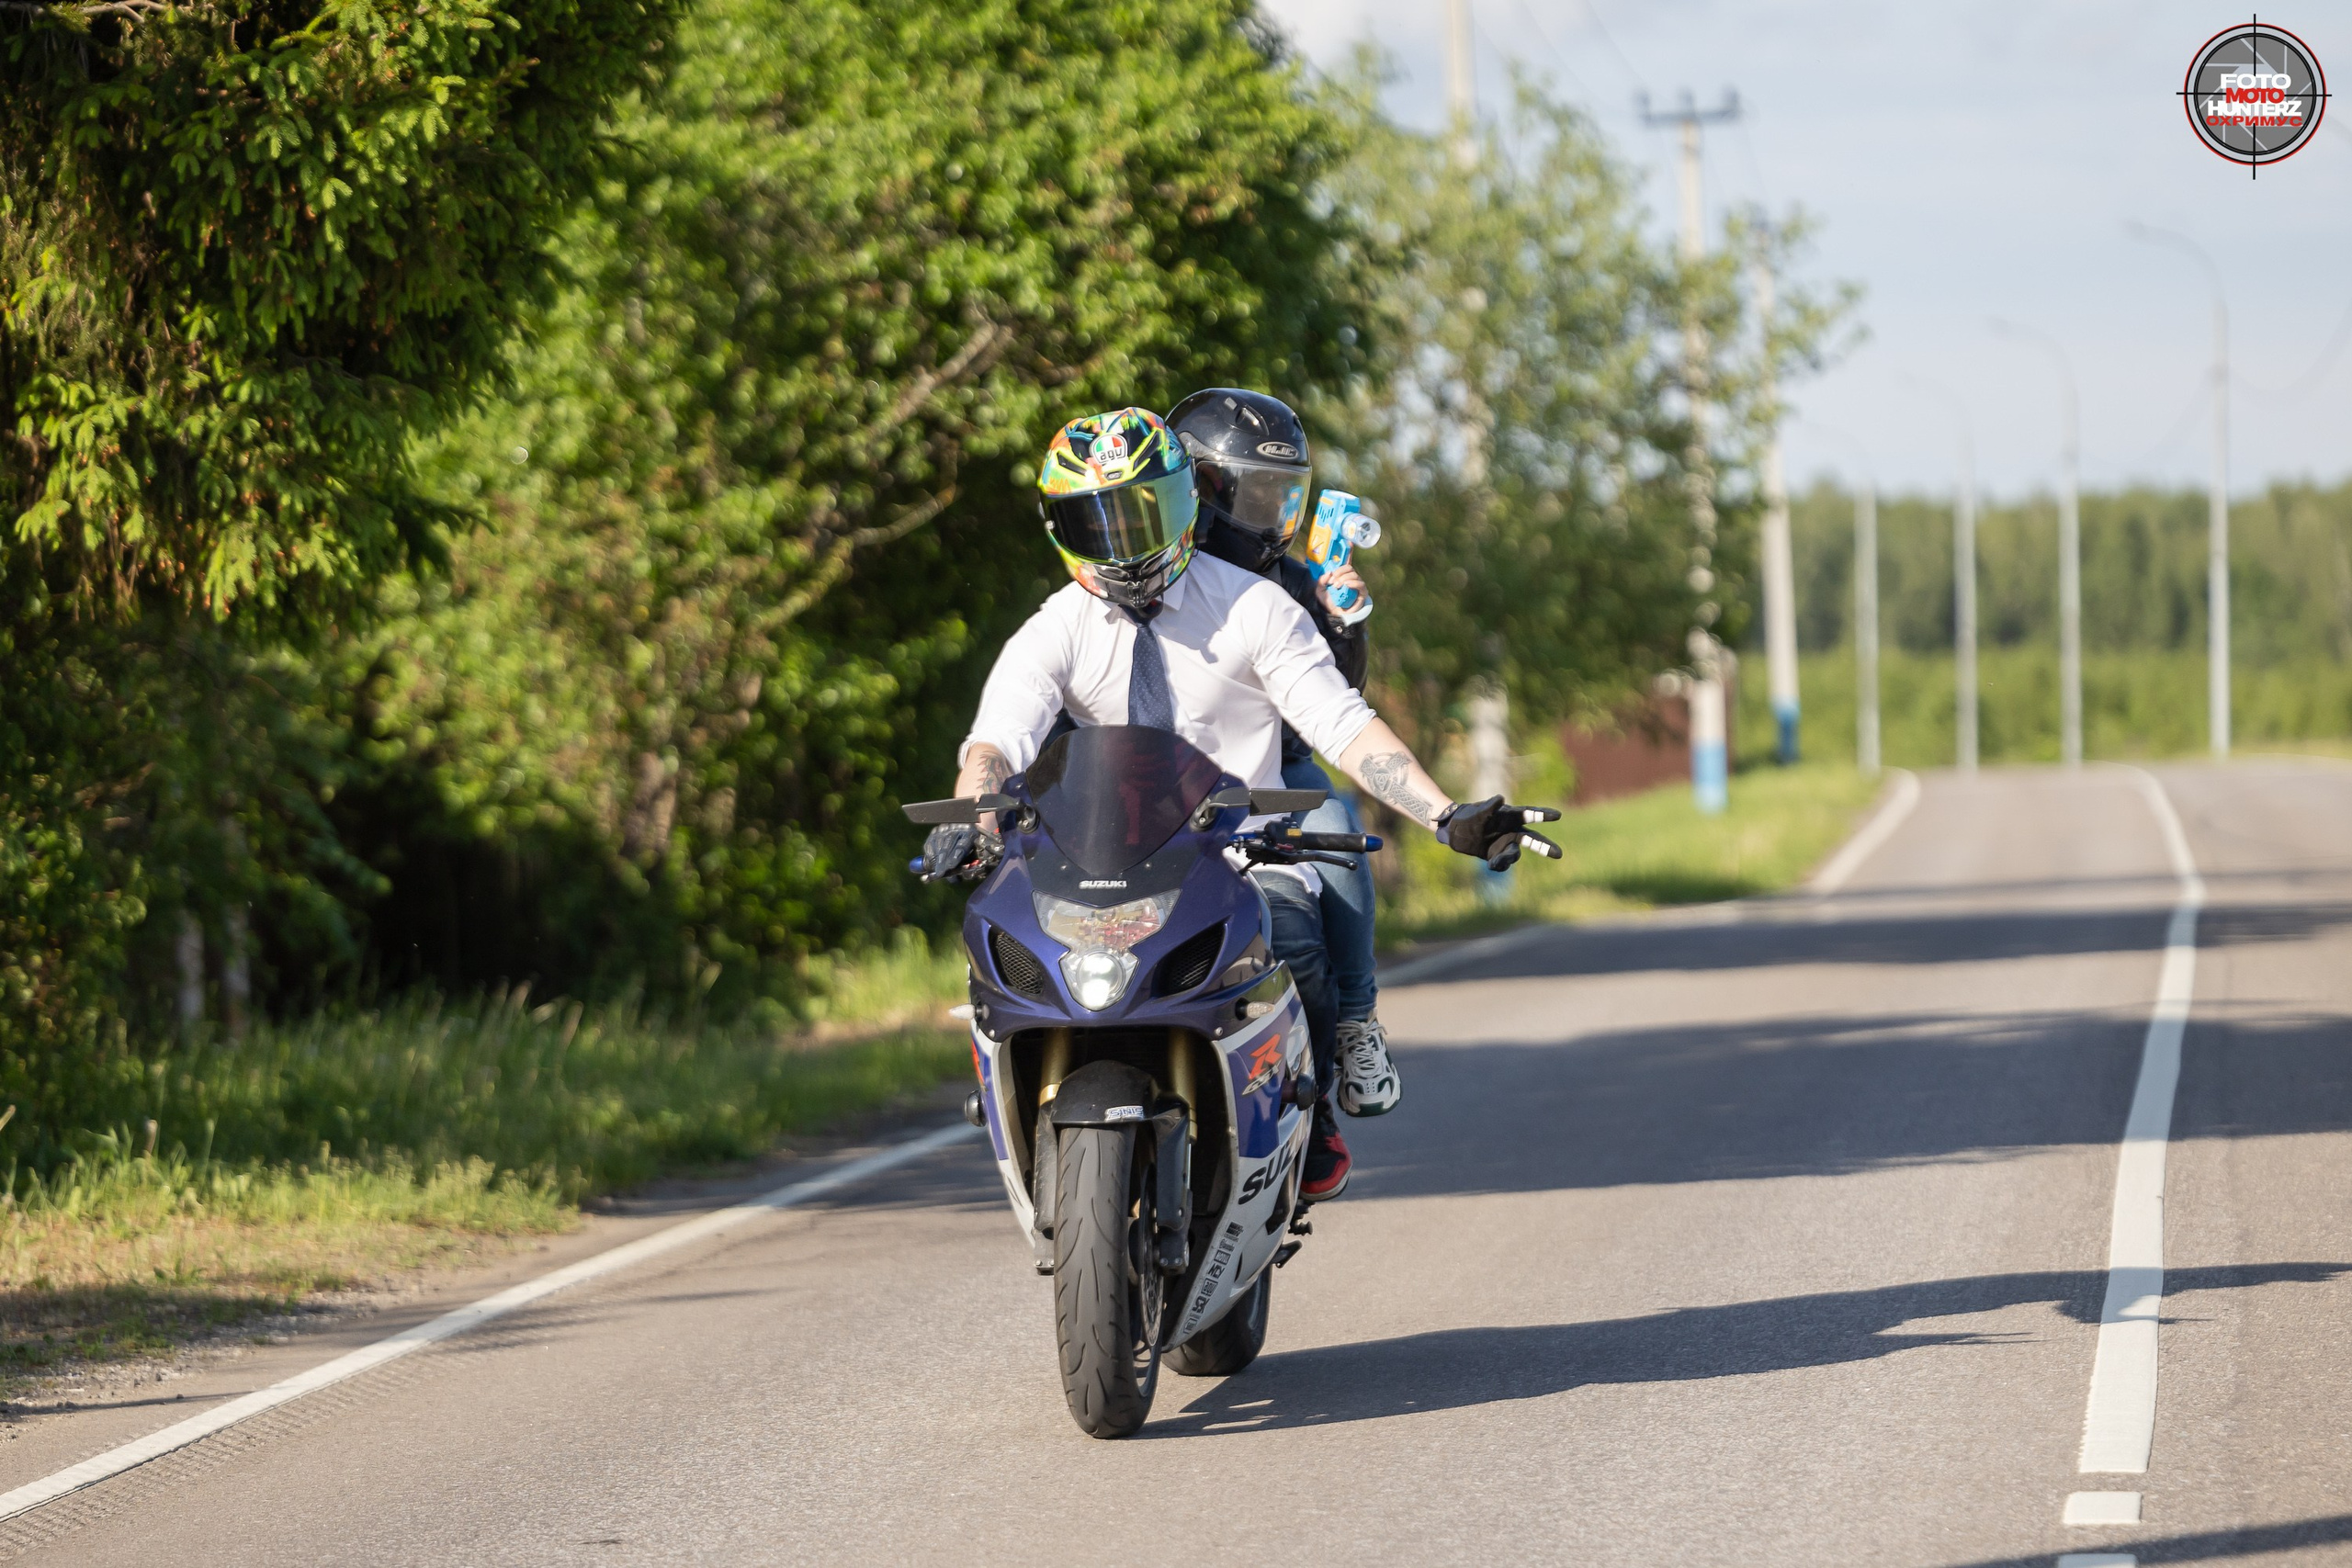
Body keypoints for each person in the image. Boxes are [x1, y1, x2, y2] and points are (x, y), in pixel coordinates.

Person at [924, 407, 1556, 1201]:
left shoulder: (1255, 608)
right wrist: (973, 816)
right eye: (1096, 520)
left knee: (1300, 946)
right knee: (1007, 946)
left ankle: (1314, 1106)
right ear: (1061, 527)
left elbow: (1342, 723)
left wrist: (1445, 814)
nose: (1121, 541)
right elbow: (996, 740)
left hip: (1244, 855)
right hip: (1101, 862)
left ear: (1187, 501)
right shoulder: (1057, 626)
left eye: (1141, 512)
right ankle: (1015, 1103)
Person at [1165, 389, 1397, 1120]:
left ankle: (1355, 1020)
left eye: (1285, 496)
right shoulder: (1144, 575)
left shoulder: (1292, 580)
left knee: (1339, 830)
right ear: (1200, 488)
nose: (1274, 516)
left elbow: (1340, 697)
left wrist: (1344, 622)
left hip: (1280, 769)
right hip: (1158, 775)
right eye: (1259, 493)